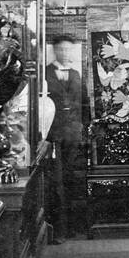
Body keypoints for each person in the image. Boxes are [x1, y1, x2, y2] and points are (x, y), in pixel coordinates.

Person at [45, 36, 85, 240]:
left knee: (71, 179)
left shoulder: (77, 74)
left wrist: (80, 128)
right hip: (53, 134)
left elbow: (83, 104)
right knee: (55, 180)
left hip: (73, 134)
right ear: (54, 51)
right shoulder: (46, 73)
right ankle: (57, 228)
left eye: (68, 50)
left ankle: (71, 227)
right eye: (60, 49)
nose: (64, 53)